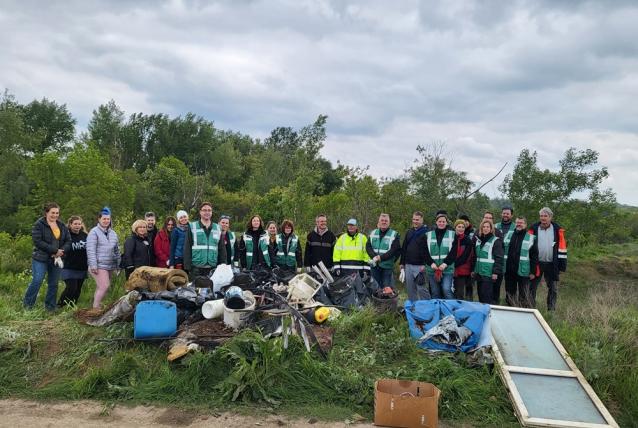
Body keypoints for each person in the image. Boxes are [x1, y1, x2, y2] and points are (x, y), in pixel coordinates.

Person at [23, 202, 71, 311]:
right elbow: (38, 241)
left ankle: (50, 307)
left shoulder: (62, 225)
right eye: (52, 213)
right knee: (37, 280)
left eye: (57, 213)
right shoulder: (39, 224)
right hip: (41, 258)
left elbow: (68, 240)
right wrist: (54, 250)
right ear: (46, 213)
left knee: (53, 283)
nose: (55, 215)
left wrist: (61, 251)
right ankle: (27, 306)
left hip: (57, 258)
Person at [528, 207, 567, 311]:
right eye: (541, 216)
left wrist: (562, 266)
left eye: (545, 216)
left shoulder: (557, 230)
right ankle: (531, 309)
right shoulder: (533, 229)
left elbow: (562, 248)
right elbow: (528, 248)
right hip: (537, 264)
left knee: (553, 288)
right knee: (531, 288)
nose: (543, 218)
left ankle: (551, 310)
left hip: (552, 264)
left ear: (550, 217)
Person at [86, 207, 120, 308]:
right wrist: (93, 265)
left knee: (102, 287)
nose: (106, 221)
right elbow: (90, 250)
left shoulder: (113, 233)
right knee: (104, 286)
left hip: (110, 265)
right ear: (99, 219)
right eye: (104, 219)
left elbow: (116, 250)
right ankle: (95, 309)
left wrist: (118, 265)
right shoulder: (94, 232)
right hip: (98, 265)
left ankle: (97, 306)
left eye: (108, 219)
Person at [183, 202, 226, 279]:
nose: (207, 212)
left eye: (209, 210)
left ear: (212, 212)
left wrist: (222, 266)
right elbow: (187, 247)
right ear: (200, 212)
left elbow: (222, 249)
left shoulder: (218, 228)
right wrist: (187, 267)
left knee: (212, 290)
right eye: (204, 210)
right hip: (196, 268)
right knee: (195, 290)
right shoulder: (192, 226)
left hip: (213, 268)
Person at [503, 216, 538, 307]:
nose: (519, 224)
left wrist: (532, 272)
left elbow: (534, 256)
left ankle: (522, 312)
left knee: (523, 295)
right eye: (517, 222)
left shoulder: (531, 238)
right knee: (509, 294)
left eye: (521, 223)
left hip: (523, 271)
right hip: (509, 270)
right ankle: (510, 310)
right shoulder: (508, 235)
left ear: (525, 225)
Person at [424, 213, 458, 299]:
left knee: (446, 289)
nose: (441, 223)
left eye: (443, 221)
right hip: (432, 269)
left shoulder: (453, 234)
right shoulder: (428, 235)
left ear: (446, 222)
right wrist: (431, 263)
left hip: (447, 268)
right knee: (435, 292)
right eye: (440, 221)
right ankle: (437, 311)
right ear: (436, 222)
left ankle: (450, 310)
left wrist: (445, 264)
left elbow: (453, 252)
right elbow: (424, 251)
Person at [58, 215, 88, 307]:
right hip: (68, 266)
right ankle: (60, 305)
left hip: (82, 266)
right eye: (75, 224)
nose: (77, 226)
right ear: (70, 224)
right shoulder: (65, 235)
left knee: (78, 289)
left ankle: (72, 307)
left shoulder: (85, 235)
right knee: (71, 288)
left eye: (79, 224)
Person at [472, 219, 504, 304]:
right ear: (481, 228)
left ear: (491, 229)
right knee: (480, 296)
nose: (485, 229)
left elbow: (499, 258)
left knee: (487, 297)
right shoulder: (478, 240)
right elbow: (476, 257)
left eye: (487, 227)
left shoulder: (496, 241)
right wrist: (473, 270)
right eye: (483, 227)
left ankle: (490, 315)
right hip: (479, 273)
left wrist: (495, 272)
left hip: (489, 273)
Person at [400, 211, 429, 301]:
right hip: (408, 265)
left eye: (417, 220)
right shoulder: (409, 232)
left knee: (421, 288)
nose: (415, 221)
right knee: (410, 289)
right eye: (414, 219)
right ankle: (414, 308)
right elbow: (404, 247)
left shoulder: (426, 232)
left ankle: (428, 306)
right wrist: (402, 263)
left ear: (422, 220)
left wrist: (425, 264)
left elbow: (428, 250)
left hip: (420, 265)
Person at [367, 213, 401, 289]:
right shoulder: (373, 233)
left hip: (387, 266)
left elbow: (394, 250)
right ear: (379, 222)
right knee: (375, 288)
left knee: (387, 289)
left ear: (389, 222)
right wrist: (374, 257)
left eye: (386, 220)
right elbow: (368, 246)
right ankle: (376, 301)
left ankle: (386, 301)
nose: (384, 222)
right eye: (382, 220)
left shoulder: (394, 234)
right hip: (374, 266)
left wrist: (381, 258)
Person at [483, 210, 504, 303]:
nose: (487, 219)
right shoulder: (478, 232)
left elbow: (500, 254)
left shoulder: (498, 233)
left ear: (493, 220)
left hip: (494, 269)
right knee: (483, 293)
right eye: (486, 217)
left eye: (489, 218)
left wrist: (496, 271)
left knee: (494, 292)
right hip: (482, 270)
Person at [452, 219, 474, 300]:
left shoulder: (468, 240)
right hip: (450, 269)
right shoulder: (452, 238)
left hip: (462, 271)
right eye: (459, 226)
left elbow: (465, 257)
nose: (461, 228)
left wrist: (452, 264)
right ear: (455, 228)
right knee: (451, 291)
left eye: (463, 227)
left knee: (459, 293)